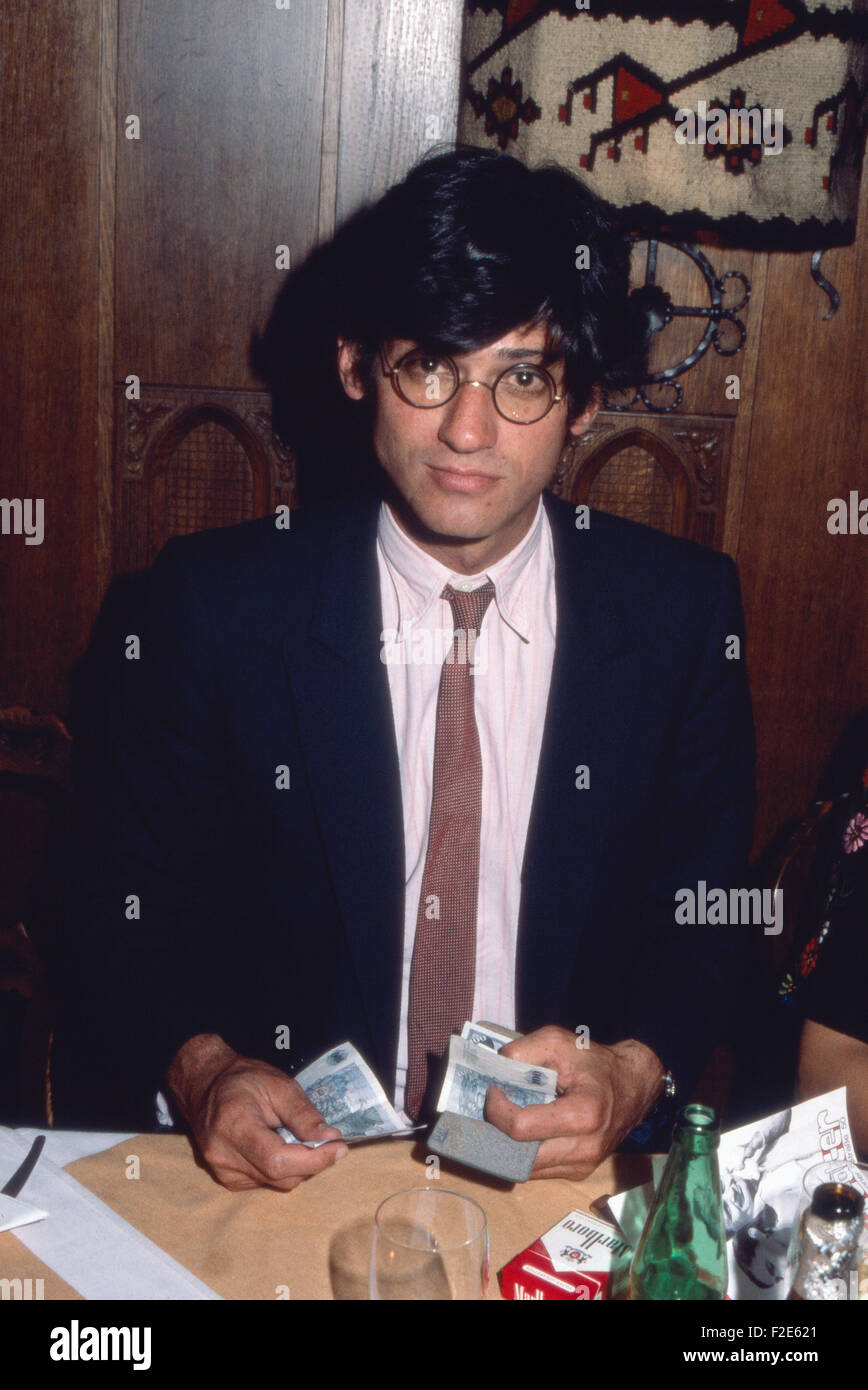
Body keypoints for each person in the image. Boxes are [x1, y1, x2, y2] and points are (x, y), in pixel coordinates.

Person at [50, 147, 756, 1191]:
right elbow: (124, 907)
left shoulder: (680, 614)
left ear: (585, 400)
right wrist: (204, 1070)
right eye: (428, 365)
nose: (466, 432)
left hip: (562, 1181)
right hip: (291, 1176)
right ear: (353, 366)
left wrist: (634, 1071)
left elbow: (709, 914)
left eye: (521, 377)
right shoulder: (216, 607)